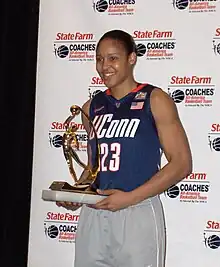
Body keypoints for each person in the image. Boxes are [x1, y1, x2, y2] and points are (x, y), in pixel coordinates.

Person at [57, 29, 192, 267]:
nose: (103, 66)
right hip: (95, 212)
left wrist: (130, 198)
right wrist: (77, 193)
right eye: (99, 59)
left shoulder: (155, 99)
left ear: (131, 58)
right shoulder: (91, 107)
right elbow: (93, 166)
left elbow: (181, 163)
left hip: (138, 210)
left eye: (112, 58)